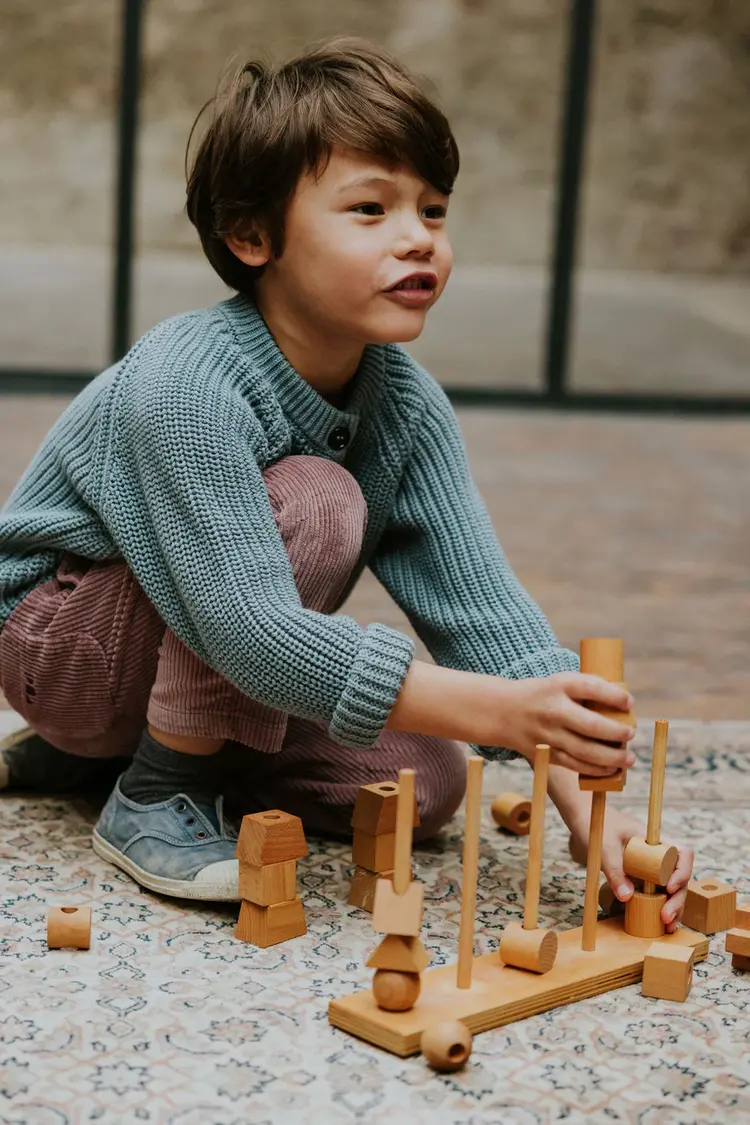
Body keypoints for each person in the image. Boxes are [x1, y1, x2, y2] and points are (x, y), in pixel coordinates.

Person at [0, 36, 692, 919]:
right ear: (252, 235)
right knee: (321, 502)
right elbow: (247, 632)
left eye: (434, 211)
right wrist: (500, 712)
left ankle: (100, 758)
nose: (419, 240)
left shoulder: (405, 401)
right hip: (58, 648)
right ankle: (155, 788)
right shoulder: (187, 382)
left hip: (185, 650)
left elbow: (483, 613)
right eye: (370, 210)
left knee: (423, 780)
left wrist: (592, 808)